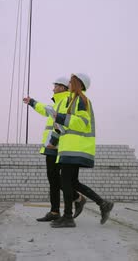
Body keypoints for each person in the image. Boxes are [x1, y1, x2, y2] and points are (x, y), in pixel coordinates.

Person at [49, 73, 114, 228]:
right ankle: (103, 203)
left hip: (75, 148)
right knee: (72, 181)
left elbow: (81, 123)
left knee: (65, 181)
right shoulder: (73, 101)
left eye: (71, 82)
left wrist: (60, 117)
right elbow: (66, 125)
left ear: (78, 84)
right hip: (70, 147)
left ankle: (68, 217)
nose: (69, 84)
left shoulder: (81, 100)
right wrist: (54, 141)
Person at [23, 77, 85, 222]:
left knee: (62, 180)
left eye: (55, 86)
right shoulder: (58, 102)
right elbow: (46, 110)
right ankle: (55, 211)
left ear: (62, 88)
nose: (53, 88)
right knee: (53, 179)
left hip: (59, 145)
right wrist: (32, 102)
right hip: (52, 146)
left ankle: (74, 201)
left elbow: (63, 123)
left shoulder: (67, 100)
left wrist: (54, 140)